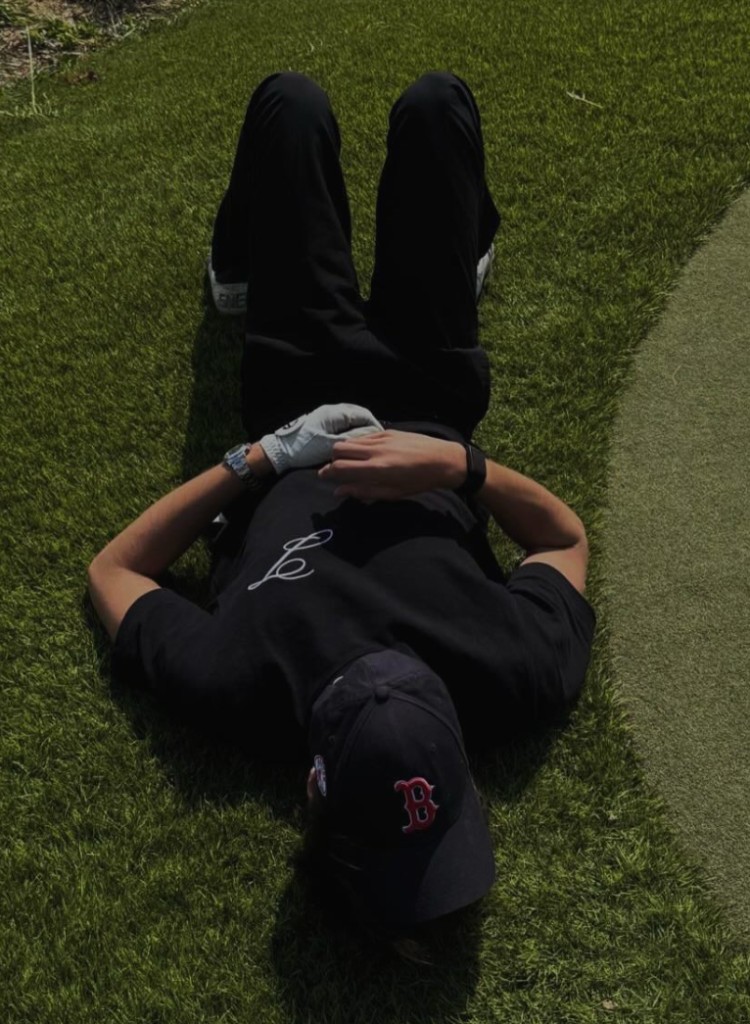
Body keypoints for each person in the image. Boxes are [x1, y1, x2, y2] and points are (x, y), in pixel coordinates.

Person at [88, 71, 595, 933]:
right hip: (431, 405)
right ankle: (457, 241)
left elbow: (116, 567)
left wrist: (261, 458)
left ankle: (238, 265)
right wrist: (456, 467)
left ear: (312, 782)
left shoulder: (242, 686)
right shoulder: (510, 676)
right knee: (437, 107)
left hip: (299, 400)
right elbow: (565, 542)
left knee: (293, 107)